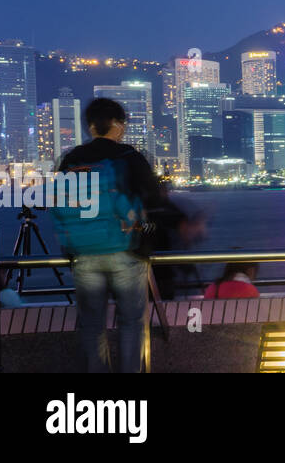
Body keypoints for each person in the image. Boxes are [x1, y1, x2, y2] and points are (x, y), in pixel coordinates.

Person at [54, 97, 166, 373]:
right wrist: (148, 237)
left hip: (84, 254)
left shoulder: (71, 159)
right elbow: (154, 200)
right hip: (126, 251)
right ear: (116, 124)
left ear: (90, 126)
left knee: (92, 327)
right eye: (122, 124)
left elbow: (58, 204)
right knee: (131, 323)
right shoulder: (129, 157)